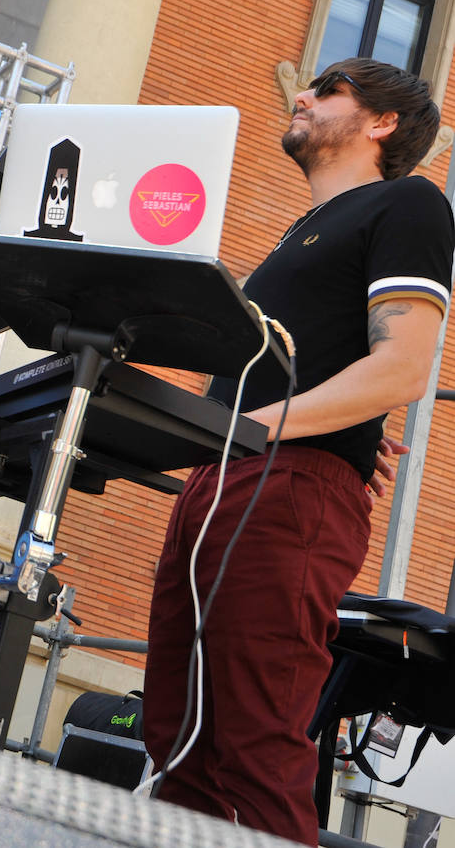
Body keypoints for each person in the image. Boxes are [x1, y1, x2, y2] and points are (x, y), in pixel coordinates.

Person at [142, 58, 454, 846]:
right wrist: (331, 422)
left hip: (283, 489)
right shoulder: (299, 235)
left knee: (254, 743)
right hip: (222, 481)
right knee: (178, 739)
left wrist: (276, 427)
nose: (303, 97)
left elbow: (404, 367)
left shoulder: (409, 202)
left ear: (383, 122)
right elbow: (339, 359)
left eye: (330, 89)